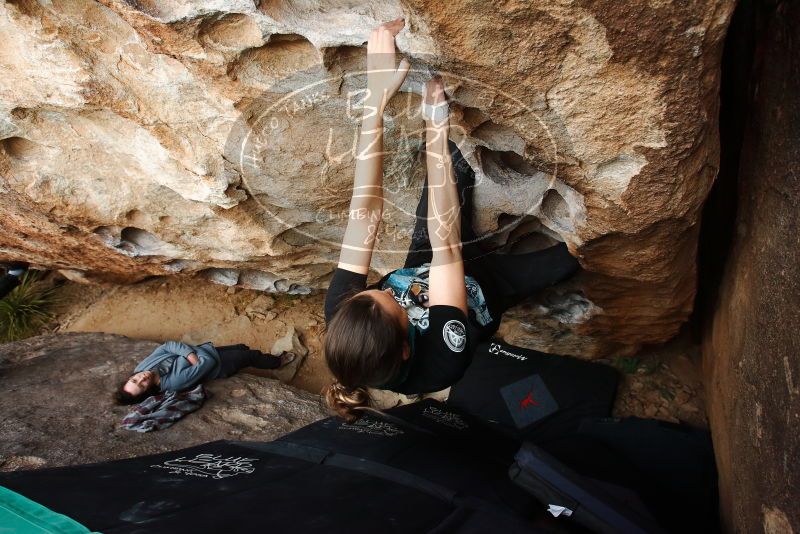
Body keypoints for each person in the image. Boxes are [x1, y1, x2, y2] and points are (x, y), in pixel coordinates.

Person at [323, 19, 580, 421]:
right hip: (484, 290)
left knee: (454, 165)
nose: (390, 291)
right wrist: (435, 131)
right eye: (393, 302)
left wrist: (375, 104)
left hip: (427, 259)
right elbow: (447, 246)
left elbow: (365, 213)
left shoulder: (345, 318)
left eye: (377, 290)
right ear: (406, 347)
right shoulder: (444, 359)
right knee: (576, 255)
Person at [114, 340, 296, 405]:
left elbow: (168, 345)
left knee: (241, 347)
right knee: (251, 356)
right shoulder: (174, 382)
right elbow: (207, 364)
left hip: (206, 350)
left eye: (134, 379)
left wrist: (189, 353)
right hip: (219, 364)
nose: (141, 378)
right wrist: (188, 352)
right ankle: (277, 362)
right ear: (149, 391)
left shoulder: (142, 368)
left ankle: (256, 356)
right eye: (142, 385)